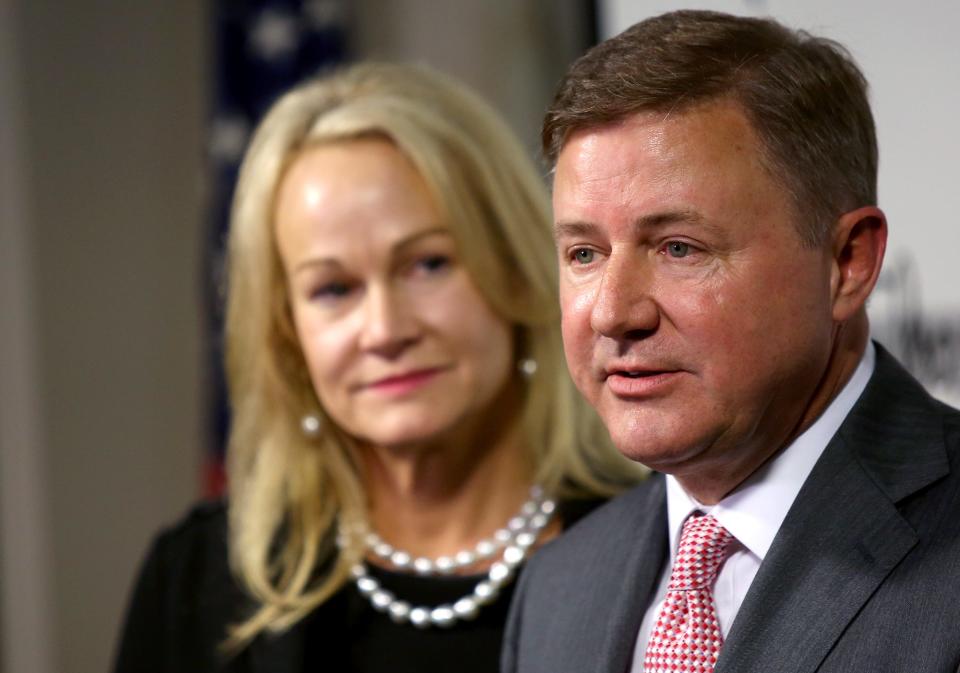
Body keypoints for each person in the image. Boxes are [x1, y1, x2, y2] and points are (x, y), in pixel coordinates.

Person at [112, 62, 638, 673]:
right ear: (288, 333)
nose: (385, 331)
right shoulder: (195, 578)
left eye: (429, 265)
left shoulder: (660, 547)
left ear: (517, 269)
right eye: (333, 289)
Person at [503, 10, 960, 673]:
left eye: (679, 247)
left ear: (848, 263)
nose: (612, 312)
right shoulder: (559, 584)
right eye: (583, 252)